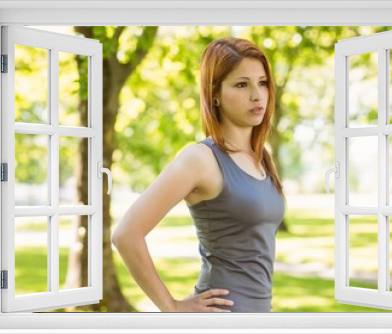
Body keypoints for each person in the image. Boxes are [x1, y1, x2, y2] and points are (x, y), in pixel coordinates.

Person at [112, 37, 285, 313]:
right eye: (242, 84)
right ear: (214, 93)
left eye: (262, 82)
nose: (257, 95)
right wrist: (171, 306)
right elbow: (126, 234)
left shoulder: (261, 157)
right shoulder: (200, 159)